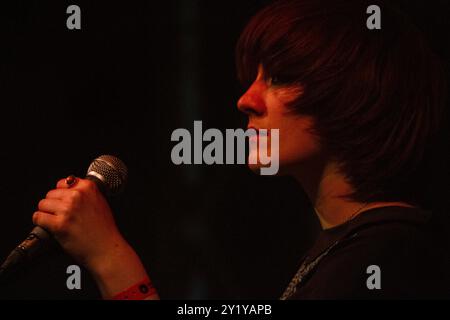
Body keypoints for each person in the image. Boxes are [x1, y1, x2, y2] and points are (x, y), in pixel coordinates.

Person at [32, 0, 449, 299]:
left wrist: (110, 256)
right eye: (254, 77)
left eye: (279, 78)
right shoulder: (354, 250)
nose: (246, 99)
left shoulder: (390, 258)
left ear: (356, 96)